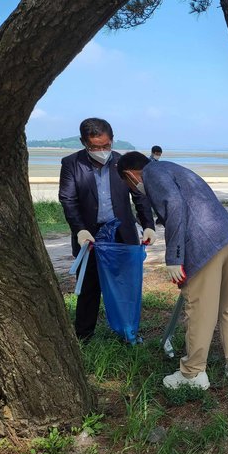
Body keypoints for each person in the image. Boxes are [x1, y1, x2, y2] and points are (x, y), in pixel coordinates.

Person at [117, 151, 228, 390]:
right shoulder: (172, 168)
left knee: (199, 311)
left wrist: (174, 257)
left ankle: (192, 374)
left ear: (129, 175)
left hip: (204, 245)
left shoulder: (151, 173)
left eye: (129, 185)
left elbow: (175, 205)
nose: (134, 189)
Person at [59, 118, 156, 340]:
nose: (101, 151)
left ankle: (127, 333)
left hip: (122, 234)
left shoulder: (122, 162)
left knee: (125, 286)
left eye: (105, 146)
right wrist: (79, 229)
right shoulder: (71, 164)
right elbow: (68, 199)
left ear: (112, 140)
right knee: (89, 288)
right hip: (90, 236)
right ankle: (84, 337)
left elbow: (140, 195)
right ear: (84, 143)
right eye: (95, 147)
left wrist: (148, 225)